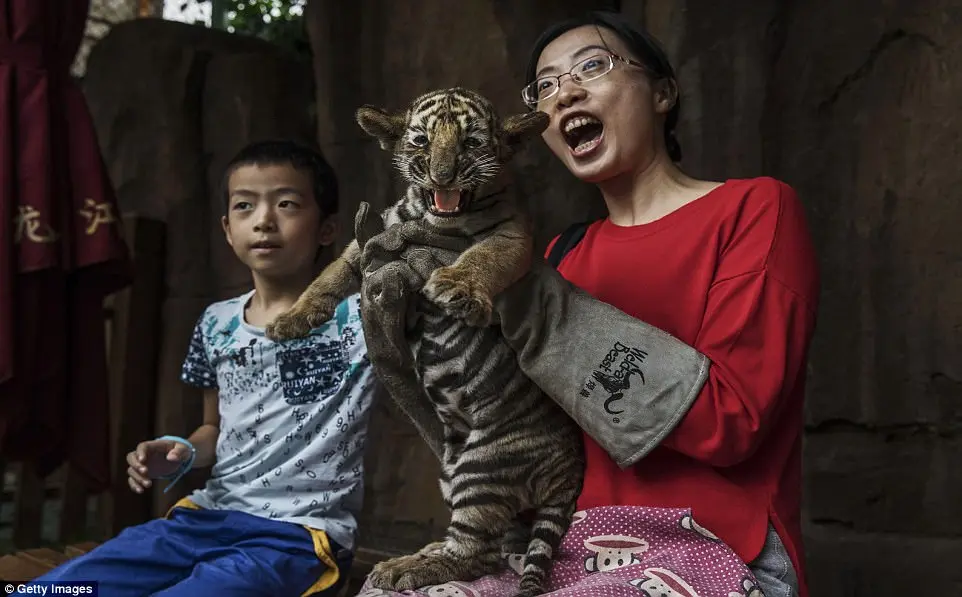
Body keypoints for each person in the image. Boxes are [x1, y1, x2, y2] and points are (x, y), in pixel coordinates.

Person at [357, 10, 819, 597]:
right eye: (545, 86)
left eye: (592, 66)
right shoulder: (562, 255)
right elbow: (491, 424)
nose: (565, 91)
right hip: (568, 547)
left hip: (718, 545)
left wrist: (519, 291)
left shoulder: (754, 210)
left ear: (662, 92)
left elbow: (731, 422)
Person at [32, 140, 378, 596]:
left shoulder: (363, 317)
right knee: (53, 589)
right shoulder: (217, 323)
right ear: (228, 229)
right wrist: (180, 451)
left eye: (287, 204)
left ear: (328, 228)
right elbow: (214, 429)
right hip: (202, 520)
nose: (264, 220)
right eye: (244, 206)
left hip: (295, 537)